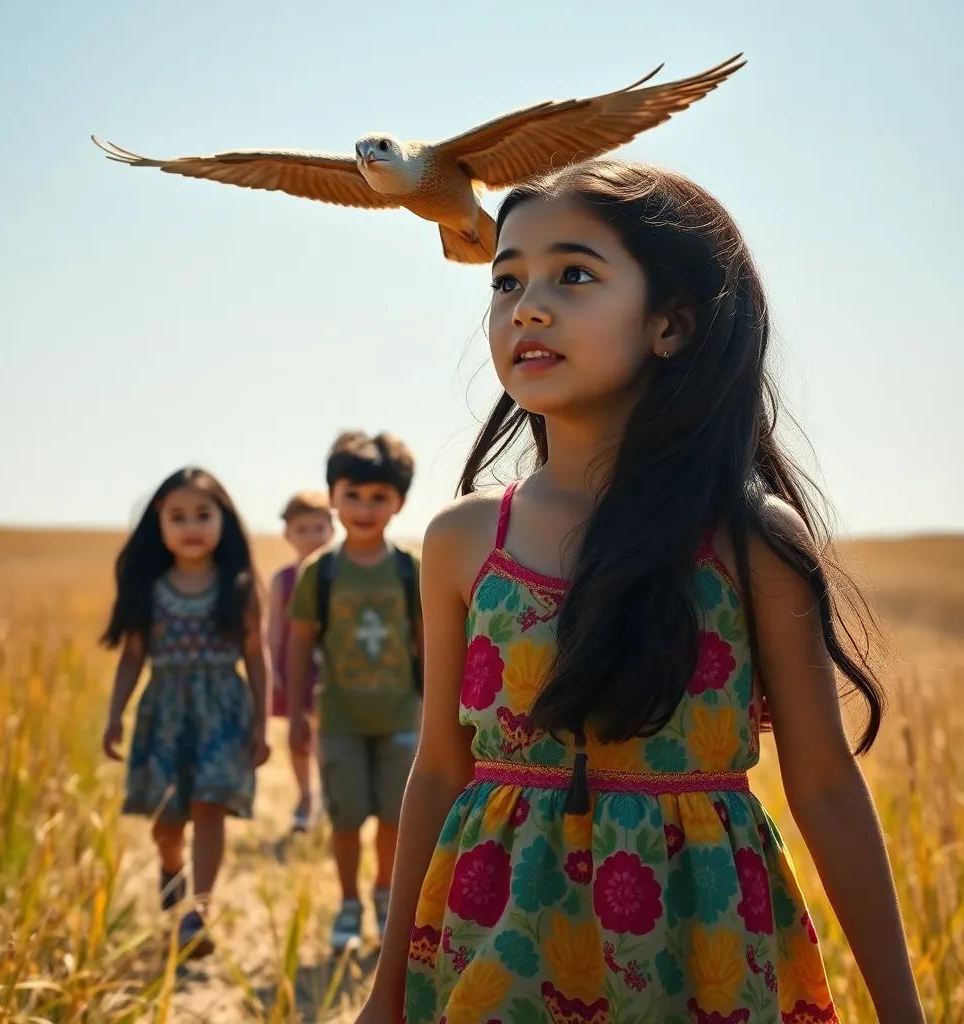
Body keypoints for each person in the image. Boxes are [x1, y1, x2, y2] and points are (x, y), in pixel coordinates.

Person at [357, 162, 924, 1021]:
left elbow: (826, 786)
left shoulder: (748, 541)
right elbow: (440, 768)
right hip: (494, 952)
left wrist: (903, 1014)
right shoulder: (464, 542)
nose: (528, 305)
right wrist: (385, 998)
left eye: (574, 275)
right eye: (506, 280)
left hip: (698, 960)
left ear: (672, 324)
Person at [101, 467, 270, 956]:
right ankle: (171, 869)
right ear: (159, 521)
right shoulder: (148, 589)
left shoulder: (236, 586)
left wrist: (261, 723)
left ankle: (199, 912)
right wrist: (115, 715)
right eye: (178, 516)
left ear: (224, 519)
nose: (191, 525)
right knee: (167, 821)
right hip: (165, 715)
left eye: (203, 513)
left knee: (209, 806)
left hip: (222, 712)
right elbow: (132, 656)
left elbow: (256, 656)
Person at [287, 431, 423, 953]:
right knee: (345, 816)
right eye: (353, 495)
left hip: (399, 717)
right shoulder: (319, 572)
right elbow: (299, 647)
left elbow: (425, 643)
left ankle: (386, 898)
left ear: (399, 503)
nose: (365, 508)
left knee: (394, 814)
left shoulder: (409, 569)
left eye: (379, 498)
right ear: (333, 496)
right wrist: (297, 714)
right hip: (339, 718)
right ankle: (347, 905)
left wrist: (436, 712)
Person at [266, 490, 335, 831]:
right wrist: (273, 670)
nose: (311, 536)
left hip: (332, 669)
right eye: (302, 529)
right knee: (298, 736)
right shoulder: (283, 579)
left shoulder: (339, 573)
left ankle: (325, 797)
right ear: (288, 534)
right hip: (293, 668)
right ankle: (304, 796)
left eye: (319, 528)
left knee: (327, 736)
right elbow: (275, 627)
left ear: (332, 530)